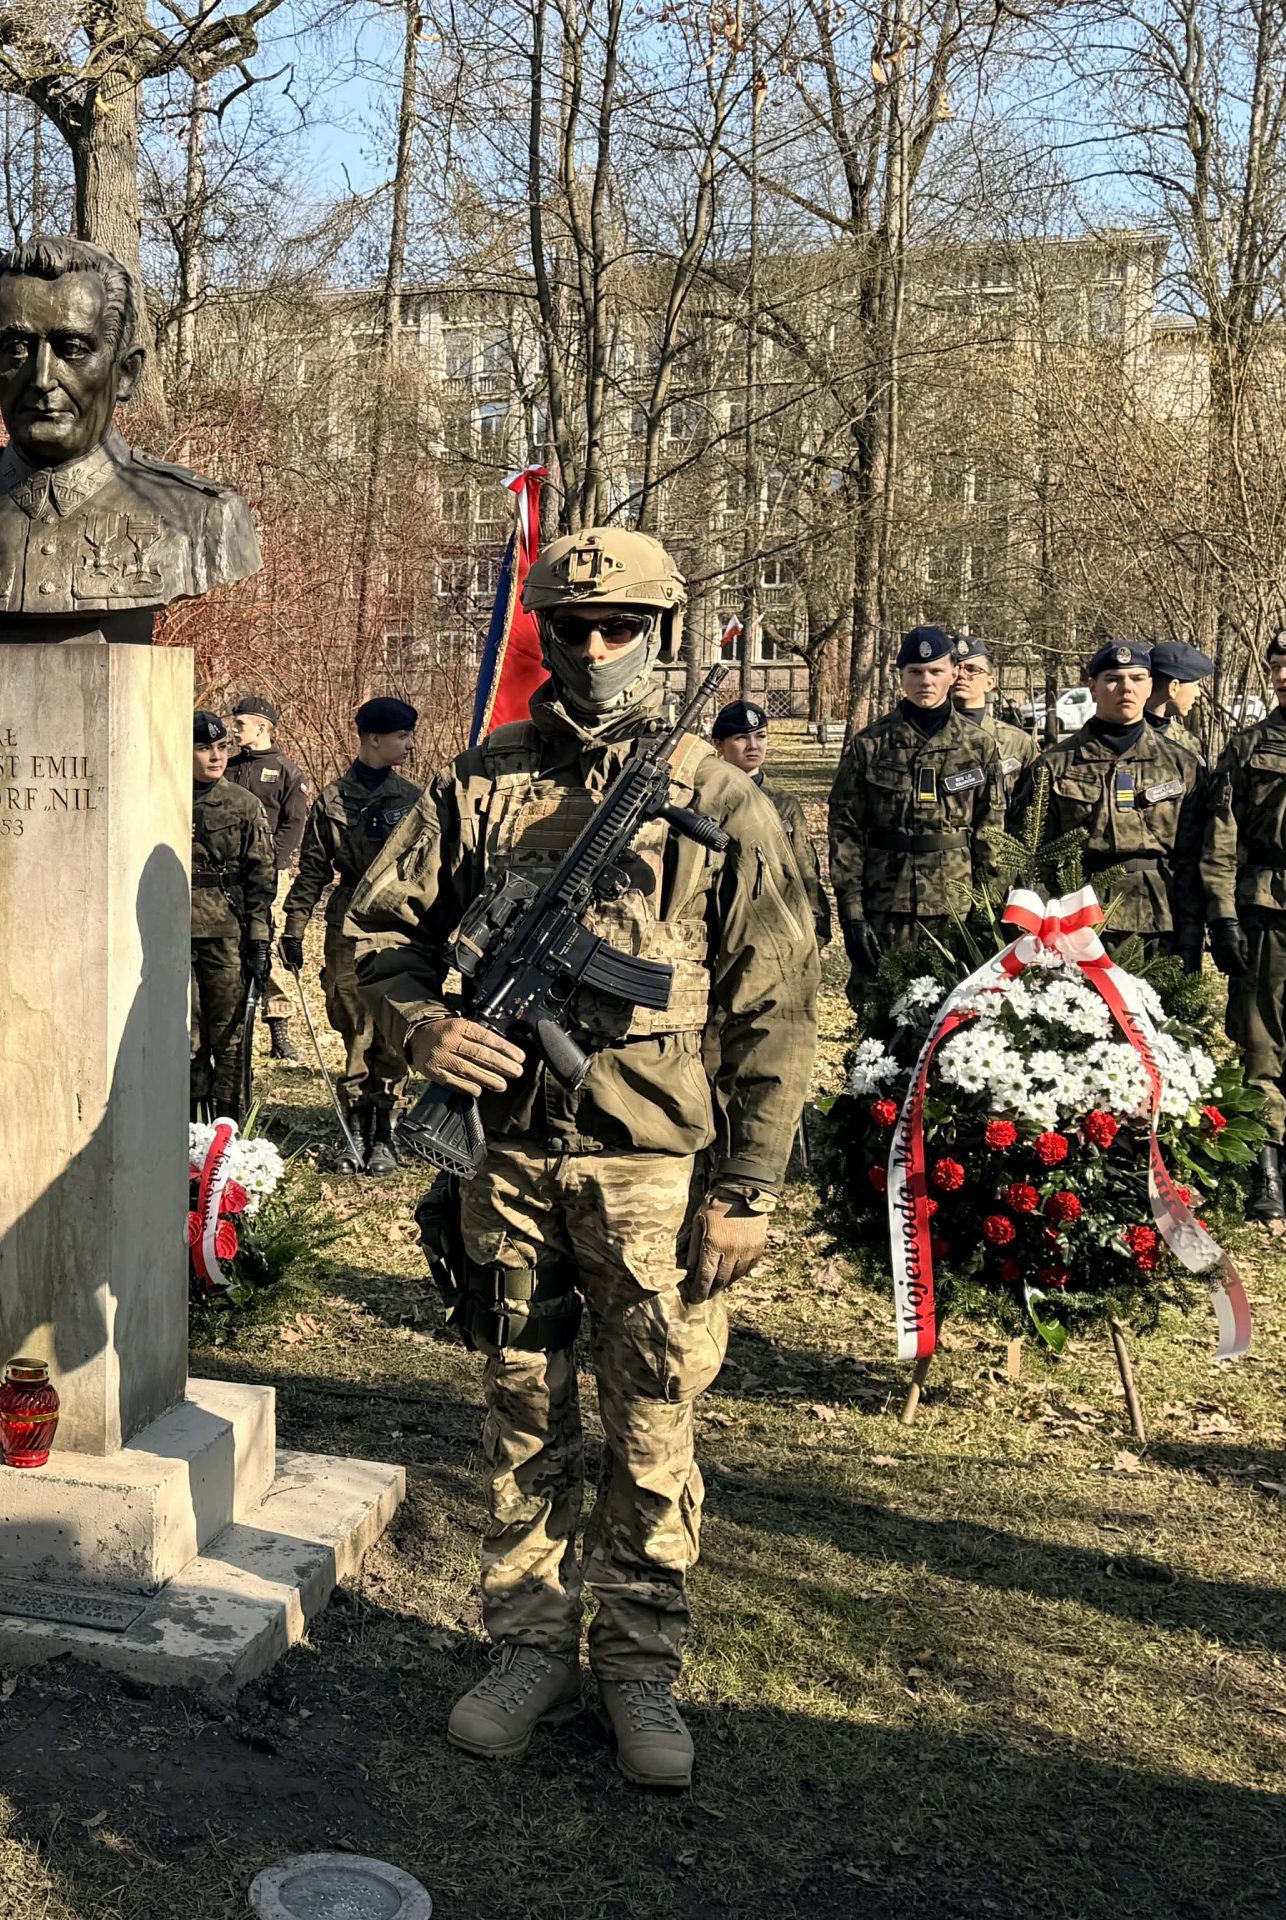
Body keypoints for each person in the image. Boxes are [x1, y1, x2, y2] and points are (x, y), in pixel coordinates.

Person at [350, 527, 819, 1791]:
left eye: (622, 627)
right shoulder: (480, 782)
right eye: (572, 627)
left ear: (658, 632)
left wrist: (748, 1189)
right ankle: (528, 1645)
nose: (597, 648)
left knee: (652, 1419)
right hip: (507, 1159)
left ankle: (639, 1663)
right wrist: (422, 1029)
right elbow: (375, 938)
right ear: (543, 637)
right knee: (522, 1409)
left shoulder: (718, 798)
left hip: (652, 1166)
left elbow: (776, 1008)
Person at [0, 236, 259, 643]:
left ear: (125, 373)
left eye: (72, 348)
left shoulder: (200, 517)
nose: (41, 378)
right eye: (16, 348)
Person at [1202, 624, 1286, 1230]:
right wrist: (1223, 916)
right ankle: (1266, 1173)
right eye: (1276, 667)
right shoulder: (1248, 746)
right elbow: (1219, 842)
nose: (1282, 676)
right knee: (1259, 1048)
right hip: (1264, 914)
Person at [827, 627, 1004, 1015]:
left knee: (957, 1020)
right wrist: (852, 914)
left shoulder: (978, 746)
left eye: (936, 671)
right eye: (916, 672)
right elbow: (846, 830)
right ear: (901, 677)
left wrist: (987, 912)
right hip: (886, 908)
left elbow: (991, 835)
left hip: (956, 909)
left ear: (954, 673)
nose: (926, 681)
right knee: (881, 1018)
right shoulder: (870, 745)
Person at [280, 696, 422, 1172]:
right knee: (353, 1023)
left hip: (397, 925)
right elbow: (313, 870)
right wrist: (294, 927)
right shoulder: (332, 799)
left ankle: (386, 1132)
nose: (410, 744)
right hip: (347, 925)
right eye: (402, 736)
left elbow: (429, 874)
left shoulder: (414, 800)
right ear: (373, 738)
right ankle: (355, 1130)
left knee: (393, 1025)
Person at [1011, 643, 1205, 965]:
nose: (1126, 688)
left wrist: (1192, 931)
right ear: (1093, 687)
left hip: (1160, 919)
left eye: (1137, 678)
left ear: (1149, 686)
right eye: (1113, 679)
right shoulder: (1055, 765)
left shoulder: (1182, 764)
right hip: (1078, 923)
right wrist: (1040, 928)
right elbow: (1030, 854)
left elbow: (1195, 857)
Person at [191, 710, 275, 1120]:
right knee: (185, 1037)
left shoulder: (243, 804)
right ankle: (188, 1125)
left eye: (222, 746)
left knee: (229, 1035)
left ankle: (228, 1126)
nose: (216, 756)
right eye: (204, 748)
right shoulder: (159, 798)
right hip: (171, 935)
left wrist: (259, 937)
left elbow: (262, 877)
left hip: (226, 933)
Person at [226, 695, 311, 1063]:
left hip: (268, 876)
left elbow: (294, 823)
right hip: (226, 876)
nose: (233, 730)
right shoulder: (227, 768)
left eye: (240, 724)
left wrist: (271, 863)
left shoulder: (286, 772)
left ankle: (279, 1031)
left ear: (261, 728)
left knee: (266, 948)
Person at [709, 700, 831, 946]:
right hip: (712, 923)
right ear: (719, 745)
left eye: (760, 736)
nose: (753, 746)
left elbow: (804, 870)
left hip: (767, 928)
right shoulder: (704, 800)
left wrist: (816, 929)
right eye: (741, 738)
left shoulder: (783, 805)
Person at [951, 634, 1037, 805]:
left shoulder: (1018, 743)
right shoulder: (927, 737)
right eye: (954, 669)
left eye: (971, 669)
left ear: (990, 682)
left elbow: (1034, 806)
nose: (961, 675)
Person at [1149, 640, 1232, 767]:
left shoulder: (1189, 743)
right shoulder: (1127, 738)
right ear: (1173, 688)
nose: (1198, 693)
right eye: (1195, 685)